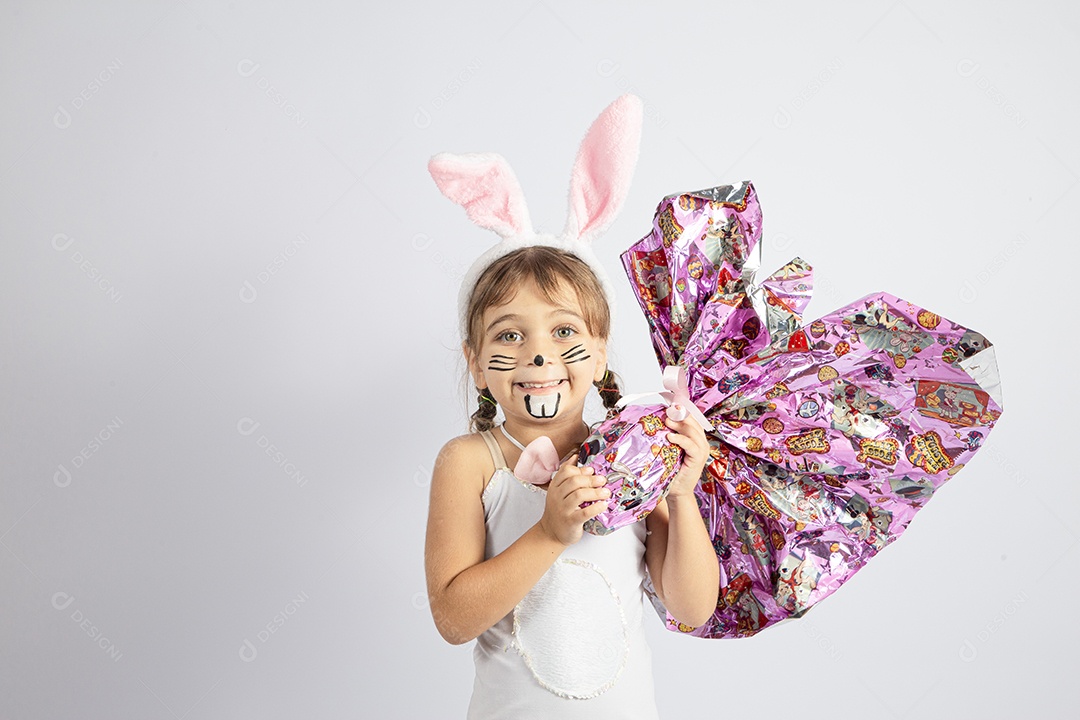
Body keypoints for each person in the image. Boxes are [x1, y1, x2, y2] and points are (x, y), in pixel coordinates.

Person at [423, 95, 720, 718]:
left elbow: (692, 607)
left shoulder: (633, 454)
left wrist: (683, 493)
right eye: (509, 335)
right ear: (475, 361)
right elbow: (454, 619)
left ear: (601, 354)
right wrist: (550, 532)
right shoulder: (469, 463)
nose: (538, 356)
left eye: (564, 332)